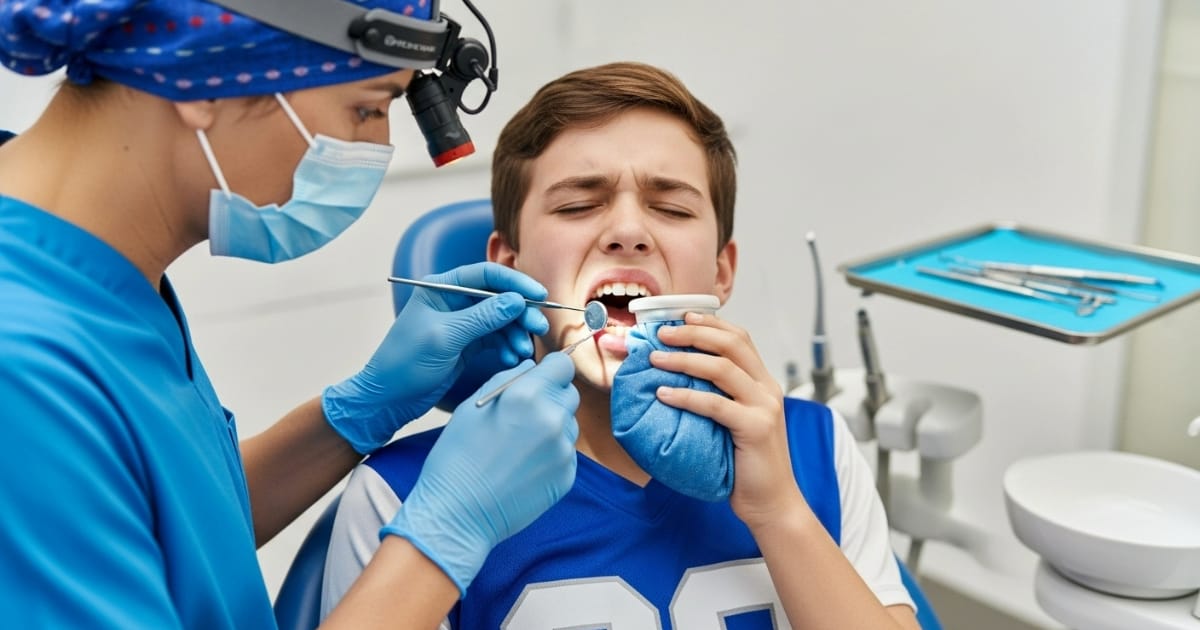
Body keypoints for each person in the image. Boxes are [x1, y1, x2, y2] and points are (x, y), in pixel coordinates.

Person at [0, 1, 582, 627]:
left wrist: (361, 409)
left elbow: (161, 533)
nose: (377, 148)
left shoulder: (98, 275)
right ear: (209, 70)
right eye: (365, 108)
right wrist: (448, 533)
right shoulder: (22, 364)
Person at [322, 61, 922, 628]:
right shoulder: (401, 497)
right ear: (508, 264)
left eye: (670, 207)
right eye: (580, 204)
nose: (629, 232)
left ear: (721, 274)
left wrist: (779, 512)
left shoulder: (814, 447)